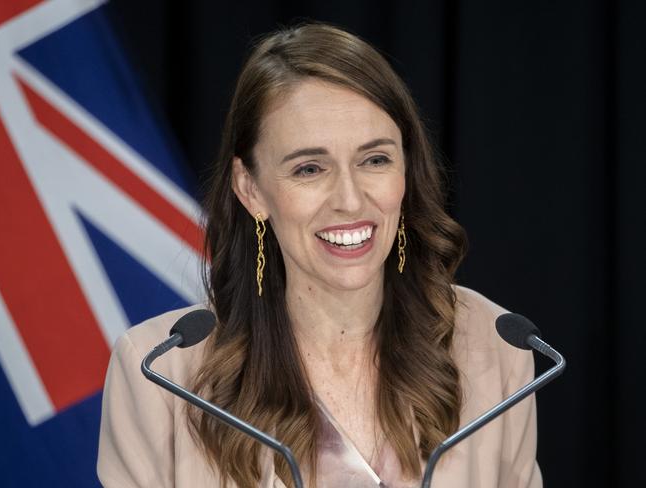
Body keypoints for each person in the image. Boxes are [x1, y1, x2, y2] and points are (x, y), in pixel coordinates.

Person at [97, 22, 541, 488]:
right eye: (309, 168)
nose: (349, 199)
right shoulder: (160, 375)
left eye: (375, 160)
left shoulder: (494, 349)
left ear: (406, 172)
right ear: (250, 189)